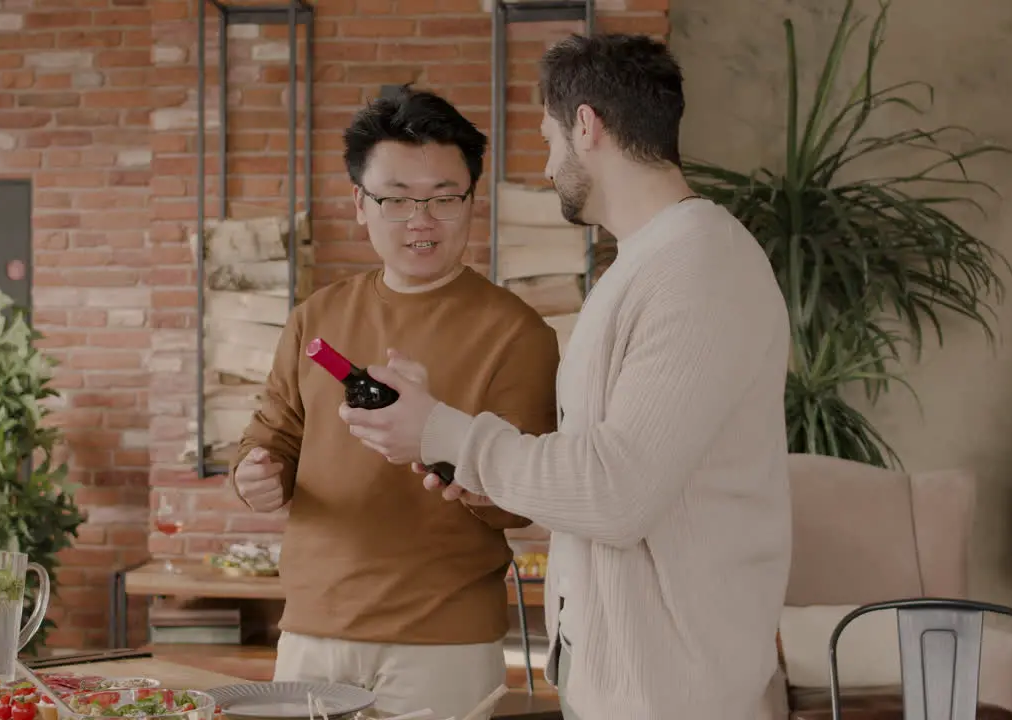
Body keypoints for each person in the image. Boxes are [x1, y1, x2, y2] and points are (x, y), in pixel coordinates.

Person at [338, 34, 793, 720]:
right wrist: (471, 462)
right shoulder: (642, 264)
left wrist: (441, 429)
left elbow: (616, 492)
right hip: (623, 683)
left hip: (675, 695)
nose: (549, 164)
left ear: (587, 125)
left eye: (550, 137)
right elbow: (596, 471)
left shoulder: (699, 267)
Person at [229, 87, 560, 719]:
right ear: (360, 203)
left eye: (443, 198)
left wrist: (453, 455)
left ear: (471, 199)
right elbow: (270, 437)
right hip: (312, 629)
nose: (421, 220)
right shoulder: (316, 317)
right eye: (397, 199)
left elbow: (522, 501)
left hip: (445, 638)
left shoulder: (517, 334)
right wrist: (256, 477)